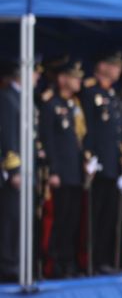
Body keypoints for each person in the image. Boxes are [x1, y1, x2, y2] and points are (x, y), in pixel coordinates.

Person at [79, 50, 122, 275]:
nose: (118, 69)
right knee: (93, 216)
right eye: (114, 65)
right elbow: (86, 128)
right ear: (102, 66)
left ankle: (103, 260)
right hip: (96, 164)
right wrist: (88, 156)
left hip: (112, 164)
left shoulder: (113, 96)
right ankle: (88, 260)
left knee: (109, 216)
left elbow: (117, 133)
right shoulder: (90, 92)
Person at [39, 59, 85, 278]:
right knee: (57, 220)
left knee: (72, 220)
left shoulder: (72, 106)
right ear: (62, 79)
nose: (79, 81)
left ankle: (68, 261)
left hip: (75, 172)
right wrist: (53, 170)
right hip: (60, 173)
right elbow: (47, 140)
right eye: (74, 77)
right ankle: (53, 264)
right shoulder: (51, 104)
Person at [0, 61, 26, 281]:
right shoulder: (7, 98)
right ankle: (8, 265)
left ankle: (17, 262)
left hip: (25, 168)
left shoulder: (22, 97)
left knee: (20, 219)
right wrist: (14, 168)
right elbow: (9, 136)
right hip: (12, 171)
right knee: (10, 219)